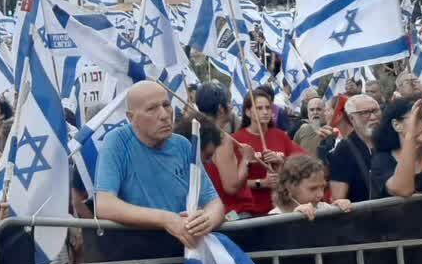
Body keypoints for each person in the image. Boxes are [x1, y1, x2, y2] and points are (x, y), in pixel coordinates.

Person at [94, 81, 224, 245]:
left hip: (182, 254)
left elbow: (214, 203)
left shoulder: (183, 145)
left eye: (166, 105)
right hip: (137, 256)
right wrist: (165, 219)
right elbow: (105, 204)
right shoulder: (117, 141)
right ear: (131, 117)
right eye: (152, 108)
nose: (164, 115)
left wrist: (206, 220)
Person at [232, 86, 306, 216]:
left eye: (268, 107)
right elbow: (231, 184)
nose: (265, 112)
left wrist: (282, 161)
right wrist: (261, 183)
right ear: (248, 112)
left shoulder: (281, 136)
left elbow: (304, 164)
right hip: (251, 211)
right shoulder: (236, 140)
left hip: (280, 209)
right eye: (259, 108)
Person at [191, 82, 254, 218]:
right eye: (229, 102)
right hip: (233, 214)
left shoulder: (195, 133)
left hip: (208, 214)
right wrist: (246, 160)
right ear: (220, 109)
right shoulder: (221, 138)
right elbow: (231, 187)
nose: (231, 106)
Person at [328, 95, 381, 204]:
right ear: (352, 118)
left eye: (375, 111)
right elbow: (338, 199)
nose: (373, 117)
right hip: (364, 217)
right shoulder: (344, 150)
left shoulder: (391, 141)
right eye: (365, 113)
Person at [270, 155, 352, 219]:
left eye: (323, 187)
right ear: (289, 187)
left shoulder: (323, 208)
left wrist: (341, 212)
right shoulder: (274, 217)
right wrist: (296, 219)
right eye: (313, 188)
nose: (321, 195)